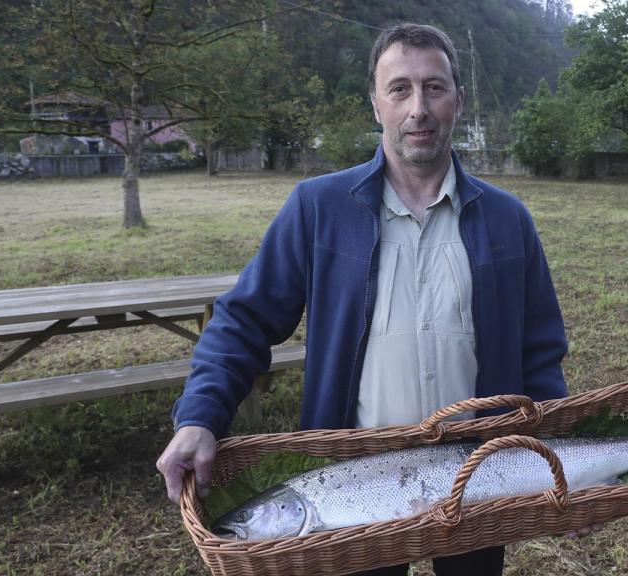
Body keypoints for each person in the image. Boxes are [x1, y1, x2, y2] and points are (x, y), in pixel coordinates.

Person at [157, 23, 578, 575]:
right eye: (399, 88)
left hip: (479, 474)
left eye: (434, 87)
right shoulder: (319, 207)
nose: (418, 108)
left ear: (459, 100)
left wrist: (563, 468)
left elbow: (539, 354)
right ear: (375, 103)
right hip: (355, 480)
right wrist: (200, 417)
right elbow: (244, 320)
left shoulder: (507, 220)